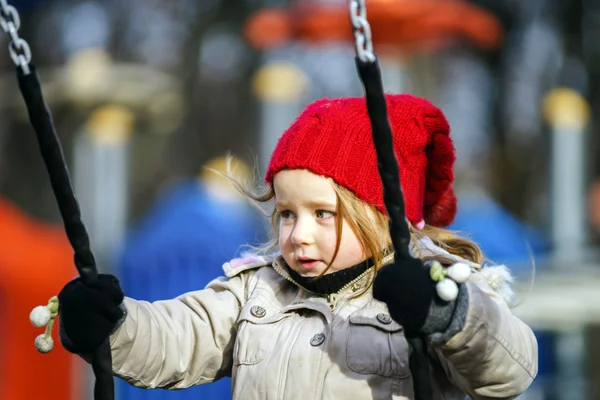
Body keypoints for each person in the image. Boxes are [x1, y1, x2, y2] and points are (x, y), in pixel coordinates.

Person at [56, 94, 538, 400]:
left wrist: (448, 316)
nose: (298, 233)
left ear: (382, 215)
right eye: (287, 213)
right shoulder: (258, 292)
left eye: (322, 214)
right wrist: (115, 326)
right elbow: (180, 337)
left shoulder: (439, 289)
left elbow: (509, 369)